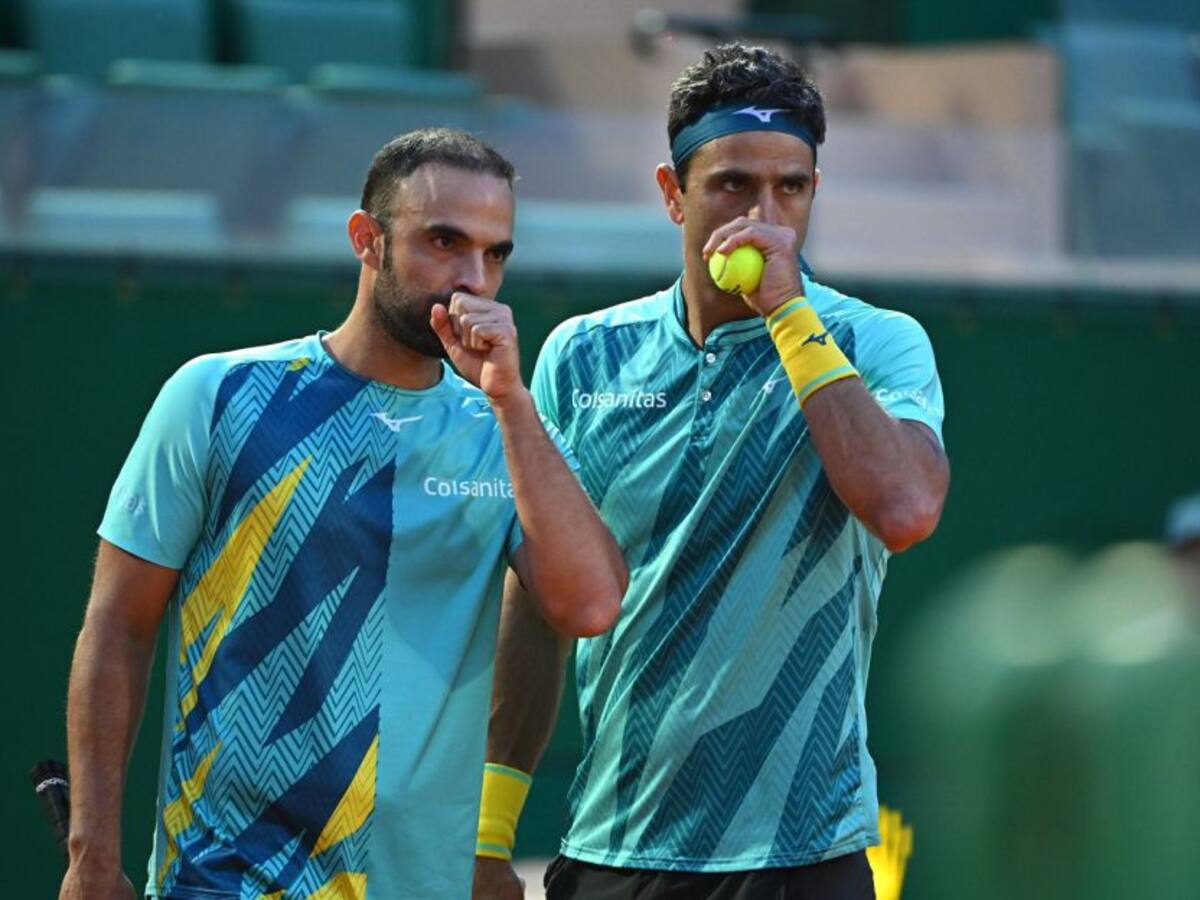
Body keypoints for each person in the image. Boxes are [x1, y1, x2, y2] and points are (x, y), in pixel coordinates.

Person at [58, 127, 627, 900]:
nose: (471, 280)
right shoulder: (214, 395)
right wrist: (91, 856)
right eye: (442, 241)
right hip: (225, 879)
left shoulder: (504, 430)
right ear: (368, 240)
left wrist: (511, 401)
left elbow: (587, 603)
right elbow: (118, 626)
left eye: (495, 254)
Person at [473, 44, 950, 900]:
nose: (764, 216)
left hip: (807, 854)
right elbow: (536, 606)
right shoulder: (584, 356)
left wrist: (789, 316)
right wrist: (489, 833)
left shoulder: (875, 342)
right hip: (613, 850)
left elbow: (906, 508)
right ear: (672, 194)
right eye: (733, 184)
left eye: (791, 188)